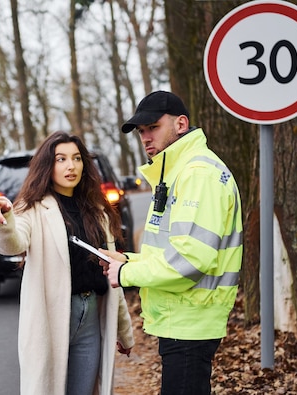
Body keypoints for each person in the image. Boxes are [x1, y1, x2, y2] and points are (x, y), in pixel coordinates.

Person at [99, 91, 243, 395]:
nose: (146, 137)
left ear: (181, 123)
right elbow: (173, 250)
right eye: (141, 132)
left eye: (153, 127)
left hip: (190, 320)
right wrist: (128, 260)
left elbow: (191, 261)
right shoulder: (176, 172)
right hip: (182, 319)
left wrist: (127, 275)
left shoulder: (197, 174)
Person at [0, 131, 135, 395]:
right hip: (52, 318)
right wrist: (3, 221)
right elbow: (12, 244)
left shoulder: (97, 210)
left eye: (77, 158)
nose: (71, 166)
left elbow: (111, 273)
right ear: (48, 166)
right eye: (61, 159)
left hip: (91, 316)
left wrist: (124, 331)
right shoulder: (31, 208)